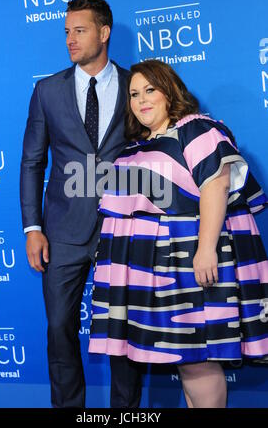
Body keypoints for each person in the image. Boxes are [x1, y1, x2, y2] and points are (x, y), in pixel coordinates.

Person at [89, 59, 268, 408]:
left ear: (170, 91)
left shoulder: (196, 128)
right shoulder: (136, 145)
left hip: (188, 267)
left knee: (198, 359)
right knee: (188, 362)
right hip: (157, 277)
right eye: (134, 94)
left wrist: (205, 250)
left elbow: (215, 186)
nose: (141, 100)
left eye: (150, 90)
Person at [20, 0, 141, 408]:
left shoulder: (135, 88)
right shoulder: (47, 91)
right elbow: (32, 163)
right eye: (67, 32)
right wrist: (32, 228)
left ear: (104, 33)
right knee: (59, 328)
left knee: (123, 331)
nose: (71, 40)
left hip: (121, 227)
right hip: (62, 230)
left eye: (80, 30)